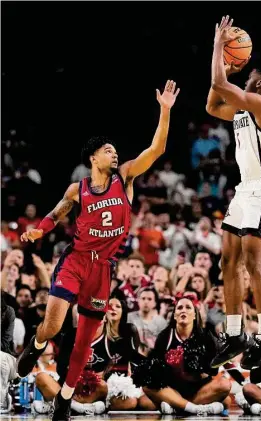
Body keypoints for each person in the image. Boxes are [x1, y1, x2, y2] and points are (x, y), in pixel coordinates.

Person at [16, 80, 180, 421]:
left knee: (82, 344)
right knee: (54, 323)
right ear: (93, 157)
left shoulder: (126, 178)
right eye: (107, 150)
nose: (114, 153)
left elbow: (157, 149)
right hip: (76, 261)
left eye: (115, 150)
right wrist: (39, 230)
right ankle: (37, 343)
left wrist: (164, 111)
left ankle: (64, 398)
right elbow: (56, 212)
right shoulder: (78, 188)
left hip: (104, 270)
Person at [206, 16, 261, 368]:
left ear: (259, 83)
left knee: (253, 259)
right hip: (245, 190)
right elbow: (212, 104)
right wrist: (226, 64)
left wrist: (219, 50)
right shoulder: (242, 107)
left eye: (249, 76)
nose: (246, 78)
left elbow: (219, 84)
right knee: (227, 259)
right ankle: (235, 332)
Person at [34, 297, 150, 415]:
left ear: (105, 318)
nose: (94, 319)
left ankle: (60, 405)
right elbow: (61, 368)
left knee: (122, 397)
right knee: (41, 377)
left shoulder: (114, 341)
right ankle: (77, 407)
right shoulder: (70, 336)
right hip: (70, 387)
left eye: (99, 315)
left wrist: (101, 376)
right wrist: (79, 378)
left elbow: (121, 372)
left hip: (96, 391)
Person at [132, 297, 231, 415]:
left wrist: (195, 369)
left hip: (199, 389)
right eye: (179, 308)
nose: (183, 310)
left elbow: (213, 372)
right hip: (173, 389)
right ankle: (195, 408)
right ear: (174, 315)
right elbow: (156, 374)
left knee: (225, 385)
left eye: (188, 307)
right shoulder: (164, 337)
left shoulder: (206, 337)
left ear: (194, 315)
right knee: (146, 387)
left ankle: (178, 406)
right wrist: (172, 369)